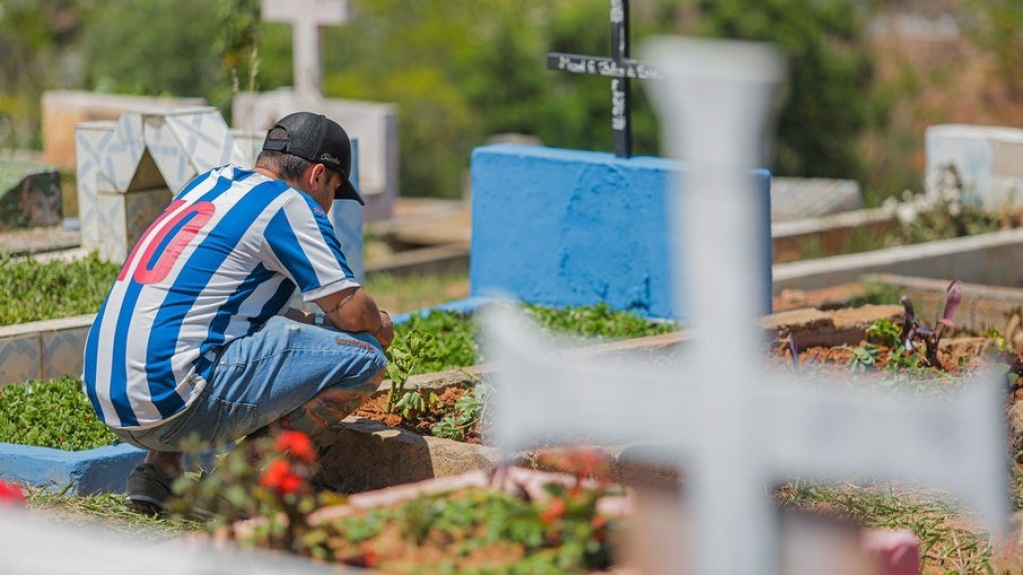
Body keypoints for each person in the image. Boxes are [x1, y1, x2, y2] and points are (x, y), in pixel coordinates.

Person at [82, 112, 393, 514]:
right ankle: (231, 486)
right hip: (171, 401)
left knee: (209, 330)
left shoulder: (210, 183)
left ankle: (158, 475)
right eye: (334, 189)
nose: (330, 203)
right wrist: (381, 326)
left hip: (109, 395)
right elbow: (354, 316)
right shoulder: (288, 204)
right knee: (364, 357)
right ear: (317, 175)